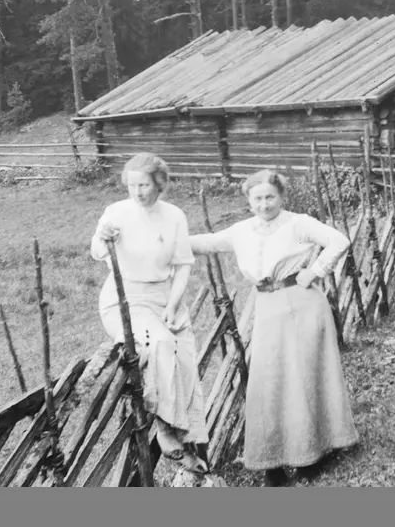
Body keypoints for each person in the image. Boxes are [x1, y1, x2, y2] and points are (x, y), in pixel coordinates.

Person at [189, 169, 359, 487]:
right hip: (267, 308)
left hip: (303, 304)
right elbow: (207, 243)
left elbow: (339, 241)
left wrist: (317, 270)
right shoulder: (242, 230)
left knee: (305, 376)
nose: (264, 204)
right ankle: (274, 461)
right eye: (257, 198)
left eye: (270, 197)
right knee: (268, 382)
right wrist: (157, 240)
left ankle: (315, 453)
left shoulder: (298, 223)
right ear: (248, 200)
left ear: (281, 197)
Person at [90, 153, 208, 476]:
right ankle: (168, 434)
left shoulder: (174, 216)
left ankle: (192, 447)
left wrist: (172, 304)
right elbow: (97, 251)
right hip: (125, 299)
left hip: (164, 297)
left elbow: (183, 264)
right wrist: (103, 236)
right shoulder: (116, 212)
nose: (137, 191)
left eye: (143, 184)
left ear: (159, 184)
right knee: (159, 343)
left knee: (184, 357)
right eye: (132, 185)